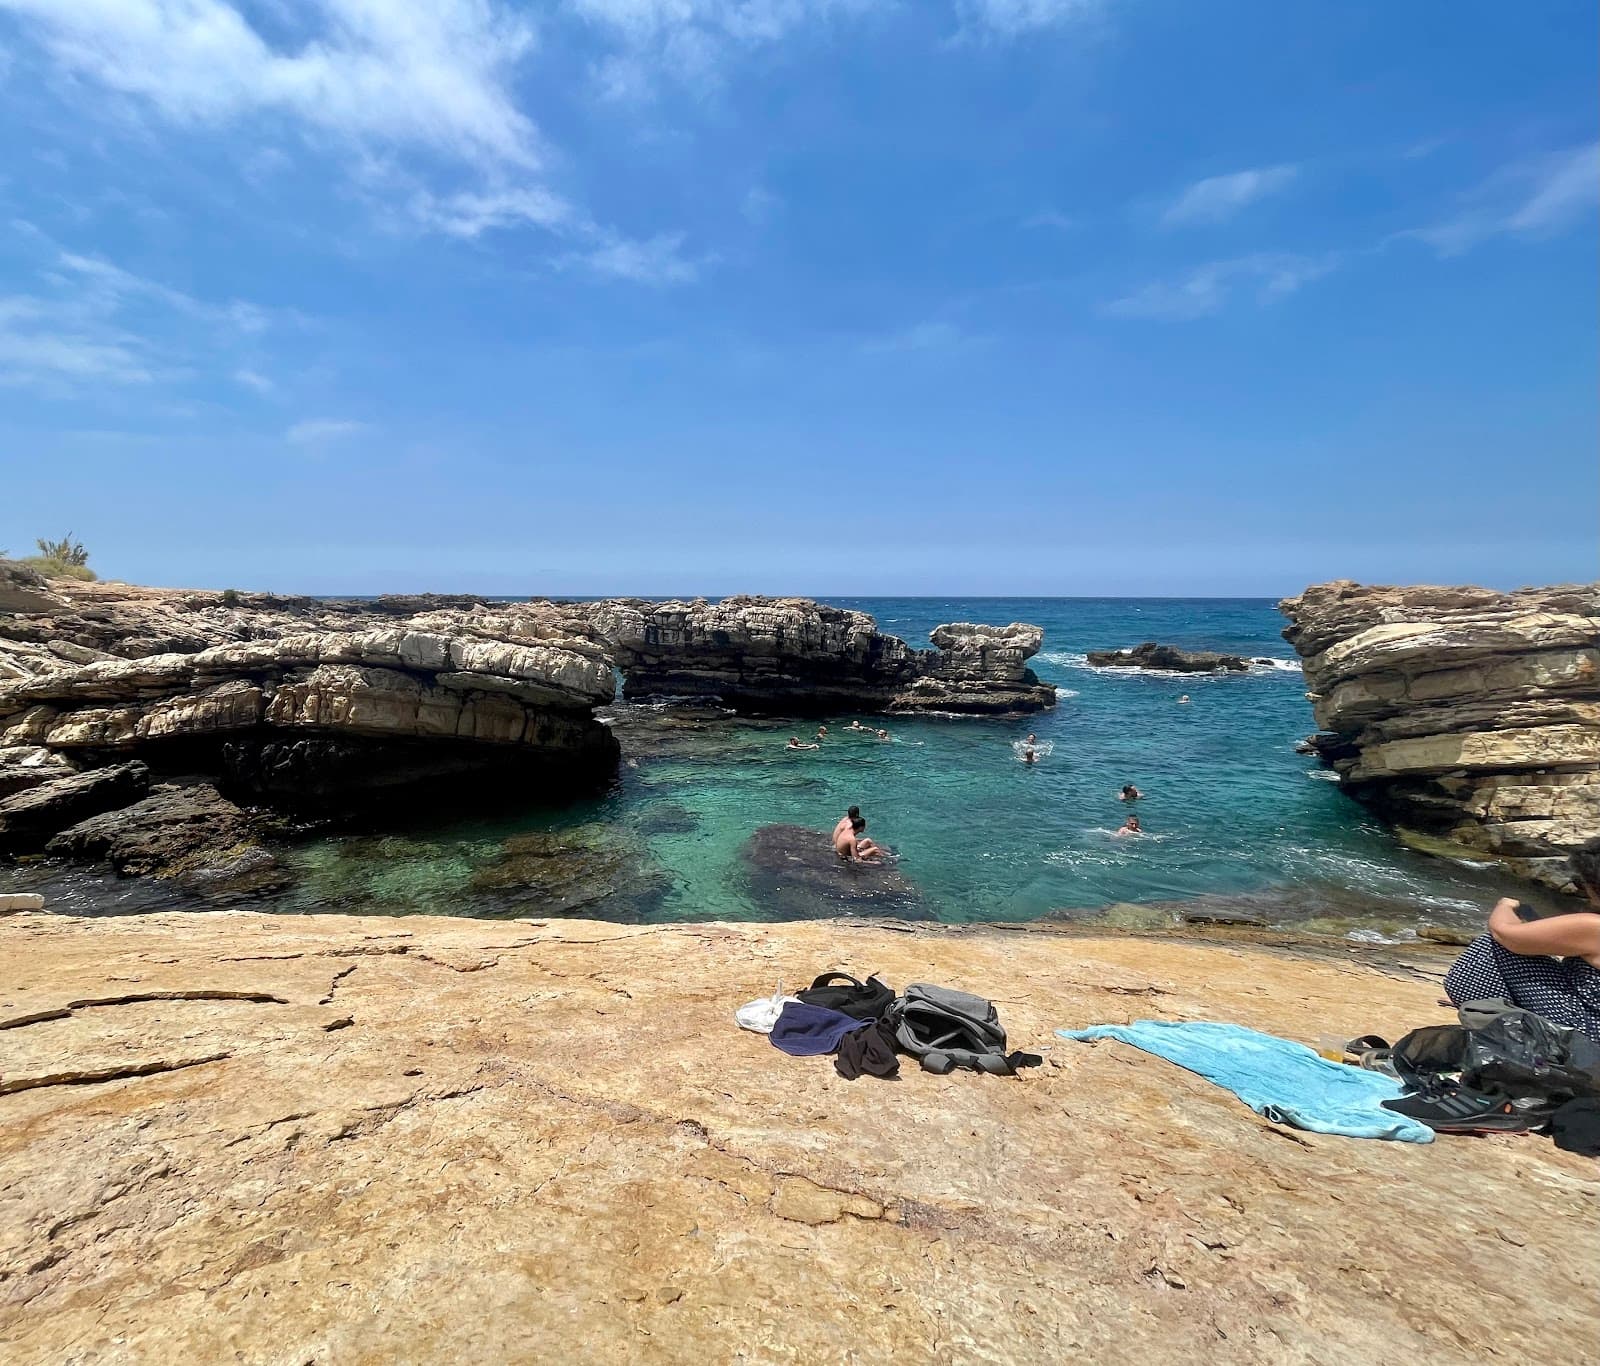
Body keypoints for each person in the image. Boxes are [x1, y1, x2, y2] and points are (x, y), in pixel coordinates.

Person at [1443, 839, 1600, 1042]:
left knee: (1490, 947)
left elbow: (1505, 933)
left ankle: (1504, 1037)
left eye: (1581, 883)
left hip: (1586, 1034)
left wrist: (1506, 905)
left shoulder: (1592, 926)